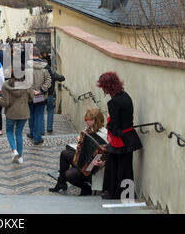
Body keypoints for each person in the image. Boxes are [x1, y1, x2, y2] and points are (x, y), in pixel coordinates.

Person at [94, 72, 142, 200]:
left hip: (120, 138)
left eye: (103, 87)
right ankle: (124, 193)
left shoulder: (113, 102)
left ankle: (114, 193)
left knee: (115, 167)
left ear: (108, 87)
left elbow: (115, 126)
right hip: (129, 136)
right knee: (123, 167)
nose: (103, 90)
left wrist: (109, 126)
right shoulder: (126, 96)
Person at [49, 109, 105, 195]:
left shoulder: (105, 134)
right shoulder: (88, 130)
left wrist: (103, 162)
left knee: (69, 174)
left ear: (93, 121)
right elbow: (82, 146)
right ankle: (61, 183)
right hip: (83, 160)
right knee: (64, 153)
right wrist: (80, 141)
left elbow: (108, 154)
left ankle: (86, 188)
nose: (86, 122)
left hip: (94, 168)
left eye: (87, 120)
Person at [0, 66, 33, 164]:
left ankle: (14, 151)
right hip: (23, 113)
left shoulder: (6, 85)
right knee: (19, 133)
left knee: (9, 132)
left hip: (11, 113)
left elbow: (5, 103)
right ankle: (20, 157)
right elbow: (31, 98)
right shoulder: (28, 84)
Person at [26, 46, 51, 145]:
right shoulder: (45, 66)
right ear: (39, 54)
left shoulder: (27, 66)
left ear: (30, 54)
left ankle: (32, 133)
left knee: (31, 115)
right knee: (39, 115)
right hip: (41, 95)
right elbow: (49, 80)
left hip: (30, 95)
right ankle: (37, 137)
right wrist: (41, 90)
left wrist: (32, 92)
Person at [43, 60, 65, 135]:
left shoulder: (38, 73)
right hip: (49, 95)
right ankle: (49, 128)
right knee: (50, 110)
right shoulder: (52, 73)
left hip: (40, 95)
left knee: (39, 112)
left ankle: (41, 129)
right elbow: (62, 78)